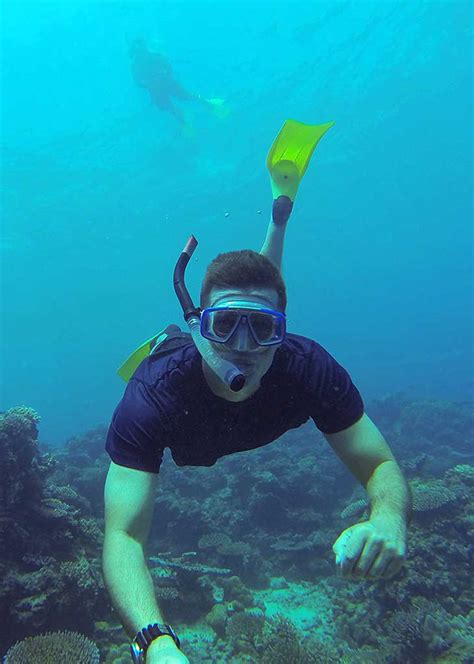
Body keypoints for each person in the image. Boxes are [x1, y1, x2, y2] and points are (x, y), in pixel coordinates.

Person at [102, 120, 412, 663]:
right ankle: (191, 326)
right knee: (245, 301)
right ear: (201, 326)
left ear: (282, 335)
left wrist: (388, 516)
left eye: (263, 330)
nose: (243, 347)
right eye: (224, 328)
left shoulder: (307, 368)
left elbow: (379, 465)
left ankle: (279, 216)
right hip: (186, 412)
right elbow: (123, 537)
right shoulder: (153, 397)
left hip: (244, 369)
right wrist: (155, 643)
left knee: (258, 292)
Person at [129, 38, 226, 127]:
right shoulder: (152, 56)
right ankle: (208, 105)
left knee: (172, 107)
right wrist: (163, 77)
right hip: (165, 84)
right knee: (184, 99)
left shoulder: (137, 64)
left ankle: (187, 121)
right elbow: (167, 67)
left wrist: (150, 84)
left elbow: (139, 82)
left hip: (158, 87)